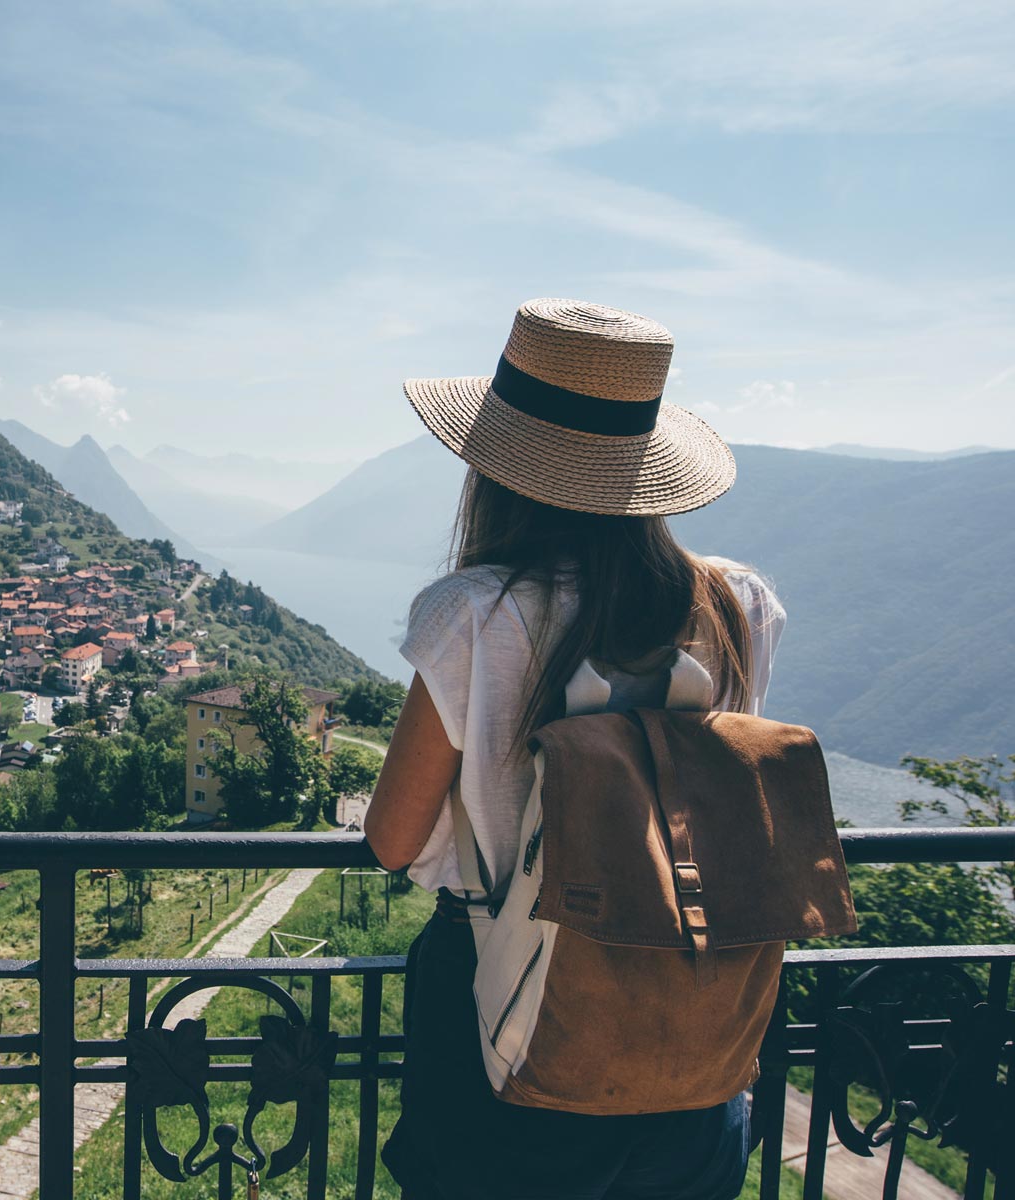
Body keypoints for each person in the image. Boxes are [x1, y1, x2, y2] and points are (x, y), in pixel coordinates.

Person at [365, 299, 785, 1200]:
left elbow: (396, 842)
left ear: (497, 465)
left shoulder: (474, 615)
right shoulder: (737, 605)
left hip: (510, 1023)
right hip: (691, 1015)